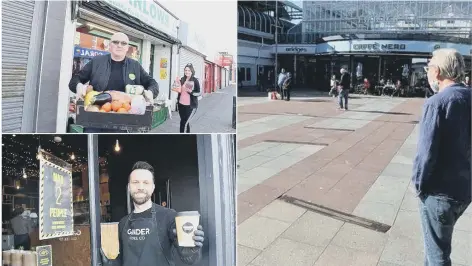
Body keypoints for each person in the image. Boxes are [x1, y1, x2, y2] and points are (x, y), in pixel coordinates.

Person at [412, 48, 471, 266]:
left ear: (436, 72)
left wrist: (419, 184)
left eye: (429, 68)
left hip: (440, 192)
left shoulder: (437, 102)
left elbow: (426, 153)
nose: (428, 73)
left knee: (438, 256)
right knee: (434, 248)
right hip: (464, 189)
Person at [101, 161, 205, 266]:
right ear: (129, 187)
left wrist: (191, 252)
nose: (140, 187)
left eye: (146, 182)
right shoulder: (123, 223)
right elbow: (123, 260)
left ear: (153, 187)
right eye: (135, 182)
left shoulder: (169, 217)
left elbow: (190, 260)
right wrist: (110, 263)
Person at [69, 32, 159, 133]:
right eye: (115, 42)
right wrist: (79, 86)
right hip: (96, 119)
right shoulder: (97, 62)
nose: (119, 45)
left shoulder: (135, 66)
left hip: (125, 122)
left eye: (123, 43)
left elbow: (152, 83)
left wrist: (150, 92)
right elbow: (75, 80)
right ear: (110, 46)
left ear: (127, 47)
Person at [172, 63, 201, 133]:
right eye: (186, 70)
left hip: (190, 106)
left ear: (192, 71)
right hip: (181, 104)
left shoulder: (194, 80)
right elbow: (177, 90)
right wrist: (176, 83)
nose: (187, 72)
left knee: (186, 122)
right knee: (182, 121)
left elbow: (199, 93)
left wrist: (191, 92)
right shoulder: (182, 79)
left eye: (189, 70)